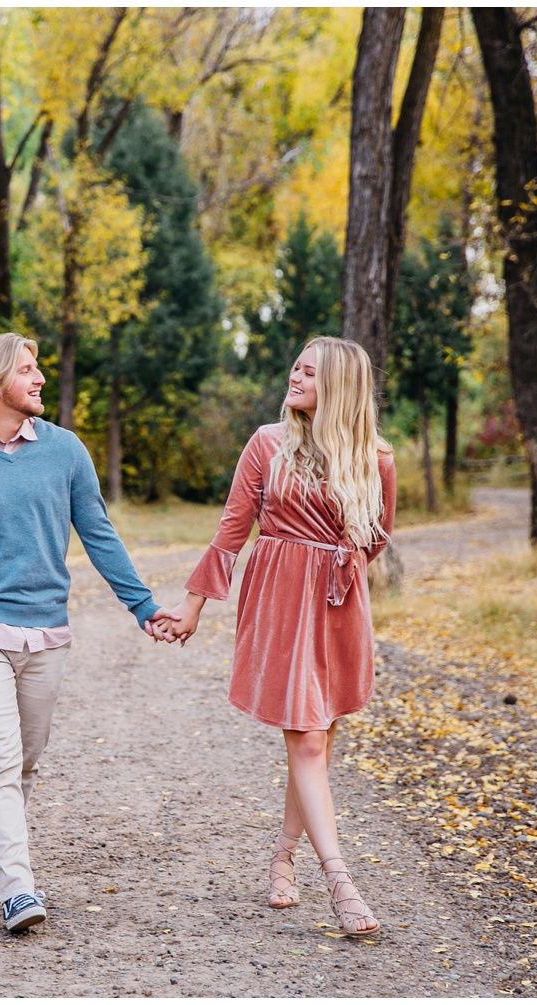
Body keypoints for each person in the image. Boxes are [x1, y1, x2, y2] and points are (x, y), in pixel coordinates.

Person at [0, 332, 178, 932]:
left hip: (46, 635)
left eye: (38, 369)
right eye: (27, 370)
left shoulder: (65, 451)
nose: (39, 380)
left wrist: (142, 606)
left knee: (26, 760)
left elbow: (99, 533)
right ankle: (16, 888)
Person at [153, 336, 395, 935]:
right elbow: (233, 528)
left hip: (338, 605)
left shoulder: (376, 457)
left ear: (340, 386)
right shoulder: (267, 444)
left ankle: (283, 858)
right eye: (296, 366)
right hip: (281, 600)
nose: (296, 376)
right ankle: (340, 882)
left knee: (317, 739)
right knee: (308, 742)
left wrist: (336, 577)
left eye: (310, 371)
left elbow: (377, 538)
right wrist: (193, 606)